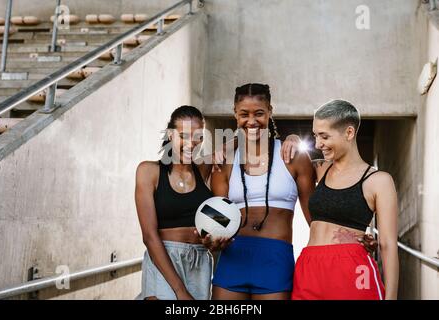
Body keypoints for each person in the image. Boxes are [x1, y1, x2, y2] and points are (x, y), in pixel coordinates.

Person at [207, 83, 316, 300]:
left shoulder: (294, 157)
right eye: (244, 114)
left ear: (270, 112)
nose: (252, 121)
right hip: (233, 257)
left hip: (275, 260)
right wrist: (213, 239)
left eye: (259, 113)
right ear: (235, 114)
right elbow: (217, 214)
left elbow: (315, 218)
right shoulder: (226, 159)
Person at [291, 100, 399, 300]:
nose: (317, 144)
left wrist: (391, 297)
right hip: (309, 267)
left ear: (349, 133)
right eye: (315, 135)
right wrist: (292, 138)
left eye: (324, 136)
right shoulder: (319, 168)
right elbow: (287, 162)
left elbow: (388, 244)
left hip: (352, 270)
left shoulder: (379, 181)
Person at [135, 105, 215, 300]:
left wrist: (293, 139)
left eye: (198, 137)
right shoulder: (149, 171)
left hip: (199, 262)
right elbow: (149, 236)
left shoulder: (203, 169)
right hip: (164, 260)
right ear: (170, 135)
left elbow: (242, 139)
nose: (191, 143)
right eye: (184, 136)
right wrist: (180, 290)